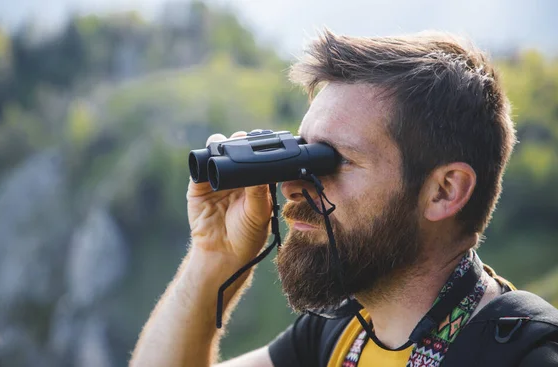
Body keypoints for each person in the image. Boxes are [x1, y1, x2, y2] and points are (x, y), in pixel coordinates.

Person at [129, 30, 558, 367]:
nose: (293, 186)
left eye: (334, 160)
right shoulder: (339, 335)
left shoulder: (524, 356)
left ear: (444, 191)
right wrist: (213, 256)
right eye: (302, 153)